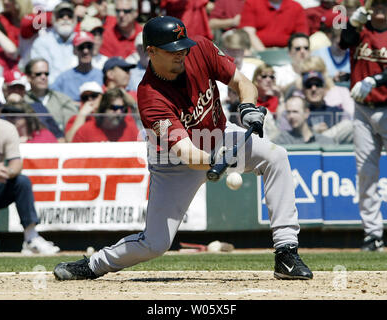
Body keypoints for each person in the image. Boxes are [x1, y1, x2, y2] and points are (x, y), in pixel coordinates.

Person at [54, 16, 313, 281]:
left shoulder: (200, 47)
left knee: (276, 156)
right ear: (151, 52)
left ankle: (286, 253)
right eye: (173, 50)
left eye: (183, 46)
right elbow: (186, 153)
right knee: (155, 244)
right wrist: (216, 159)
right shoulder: (150, 96)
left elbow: (242, 82)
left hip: (219, 134)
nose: (182, 53)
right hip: (173, 162)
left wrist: (247, 106)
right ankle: (94, 264)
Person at [340, 0, 387, 251]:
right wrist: (354, 21)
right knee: (366, 173)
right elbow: (343, 42)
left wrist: (375, 79)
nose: (381, 7)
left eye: (384, 3)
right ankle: (373, 234)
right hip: (362, 110)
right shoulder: (361, 28)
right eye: (377, 2)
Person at [0, 94, 60, 254]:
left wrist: (8, 171)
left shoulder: (6, 128)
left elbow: (16, 163)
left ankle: (31, 237)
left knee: (21, 181)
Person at [24, 58, 79, 132]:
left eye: (46, 74)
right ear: (28, 77)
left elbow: (72, 128)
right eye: (38, 74)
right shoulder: (23, 101)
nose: (43, 77)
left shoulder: (63, 100)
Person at [30, 1, 77, 85]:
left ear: (75, 20)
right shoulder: (42, 42)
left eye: (69, 16)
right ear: (53, 19)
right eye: (61, 16)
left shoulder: (82, 42)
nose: (65, 19)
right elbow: (41, 74)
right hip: (52, 90)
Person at [71, 87, 140, 142]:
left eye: (122, 108)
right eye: (114, 108)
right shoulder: (85, 131)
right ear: (104, 108)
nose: (119, 112)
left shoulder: (131, 129)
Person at [50, 31, 103, 103]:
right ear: (74, 50)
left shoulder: (101, 75)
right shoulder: (64, 78)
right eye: (81, 47)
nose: (85, 51)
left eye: (89, 46)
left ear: (93, 49)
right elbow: (51, 97)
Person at [239, 0, 309, 52]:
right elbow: (248, 32)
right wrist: (264, 53)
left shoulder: (296, 7)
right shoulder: (252, 3)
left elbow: (301, 36)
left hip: (287, 53)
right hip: (257, 52)